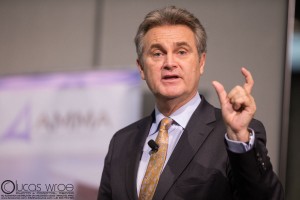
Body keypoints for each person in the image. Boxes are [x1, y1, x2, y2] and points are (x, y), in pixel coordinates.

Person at [97, 6, 284, 200]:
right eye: (157, 54)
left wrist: (238, 138)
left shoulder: (236, 136)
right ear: (141, 68)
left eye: (182, 51)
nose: (169, 63)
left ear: (201, 62)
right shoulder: (121, 141)